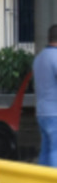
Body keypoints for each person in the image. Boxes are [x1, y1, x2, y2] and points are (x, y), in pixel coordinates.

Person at [34, 23, 57, 167]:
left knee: (45, 151)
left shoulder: (39, 58)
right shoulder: (56, 57)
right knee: (55, 151)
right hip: (55, 113)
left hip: (41, 112)